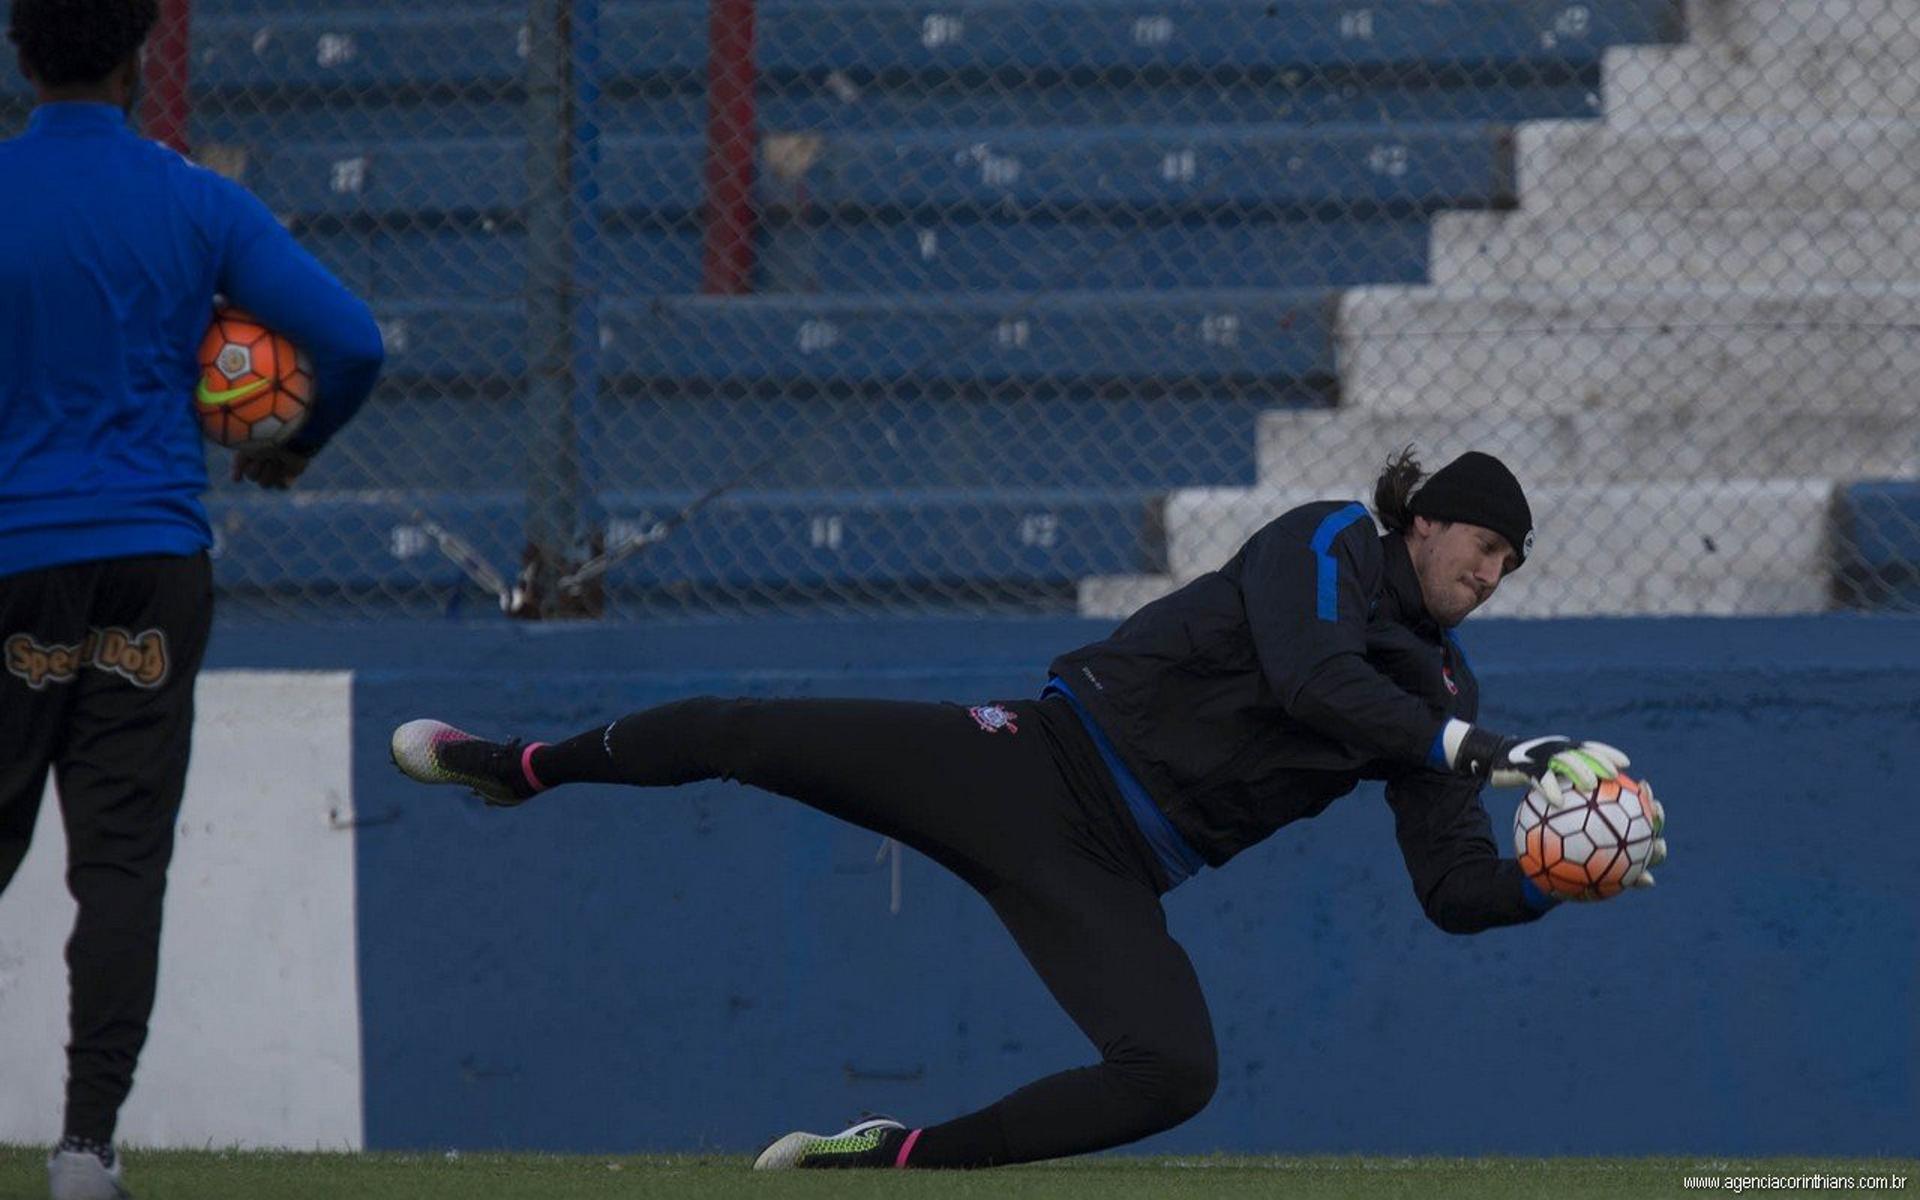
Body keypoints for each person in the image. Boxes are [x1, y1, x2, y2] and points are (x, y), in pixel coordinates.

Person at [390, 448, 1666, 1170]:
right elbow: (1310, 676)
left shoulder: (1444, 688)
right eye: (1480, 549)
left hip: (1112, 874)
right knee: (749, 732)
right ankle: (518, 766)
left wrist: (1548, 882)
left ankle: (890, 1156)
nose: (1489, 577)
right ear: (1426, 518)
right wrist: (1480, 746)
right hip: (1032, 765)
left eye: (1507, 567)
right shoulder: (1330, 538)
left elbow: (1449, 890)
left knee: (1175, 1075)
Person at [0, 1, 384, 1195]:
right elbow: (352, 341)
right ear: (138, 56)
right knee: (118, 862)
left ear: (18, 53)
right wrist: (290, 443)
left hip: (13, 557)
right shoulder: (194, 199)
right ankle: (83, 1147)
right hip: (155, 563)